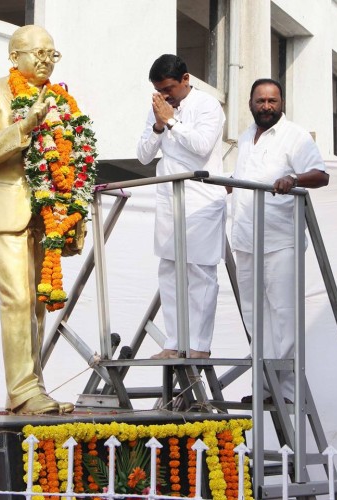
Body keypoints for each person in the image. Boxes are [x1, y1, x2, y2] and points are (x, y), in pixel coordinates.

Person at [0, 25, 96, 415]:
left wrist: (73, 211)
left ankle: (30, 391)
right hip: (6, 209)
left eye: (51, 55)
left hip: (47, 214)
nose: (45, 61)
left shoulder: (61, 99)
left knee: (37, 305)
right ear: (14, 57)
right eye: (38, 54)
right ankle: (23, 392)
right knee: (17, 301)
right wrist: (25, 126)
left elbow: (72, 161)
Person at [229, 78, 329, 403]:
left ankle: (286, 392)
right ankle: (264, 386)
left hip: (279, 240)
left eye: (273, 100)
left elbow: (321, 174)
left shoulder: (295, 136)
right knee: (253, 314)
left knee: (284, 314)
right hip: (245, 239)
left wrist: (293, 178)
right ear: (250, 103)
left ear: (281, 102)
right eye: (261, 101)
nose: (267, 106)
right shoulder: (245, 138)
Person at [137, 54, 227, 359]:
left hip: (201, 201)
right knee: (170, 271)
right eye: (160, 90)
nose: (165, 96)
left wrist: (172, 121)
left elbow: (202, 146)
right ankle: (174, 343)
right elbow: (143, 156)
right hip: (168, 201)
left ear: (186, 80)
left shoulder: (208, 105)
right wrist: (159, 126)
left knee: (200, 273)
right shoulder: (159, 109)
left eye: (170, 89)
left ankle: (199, 346)